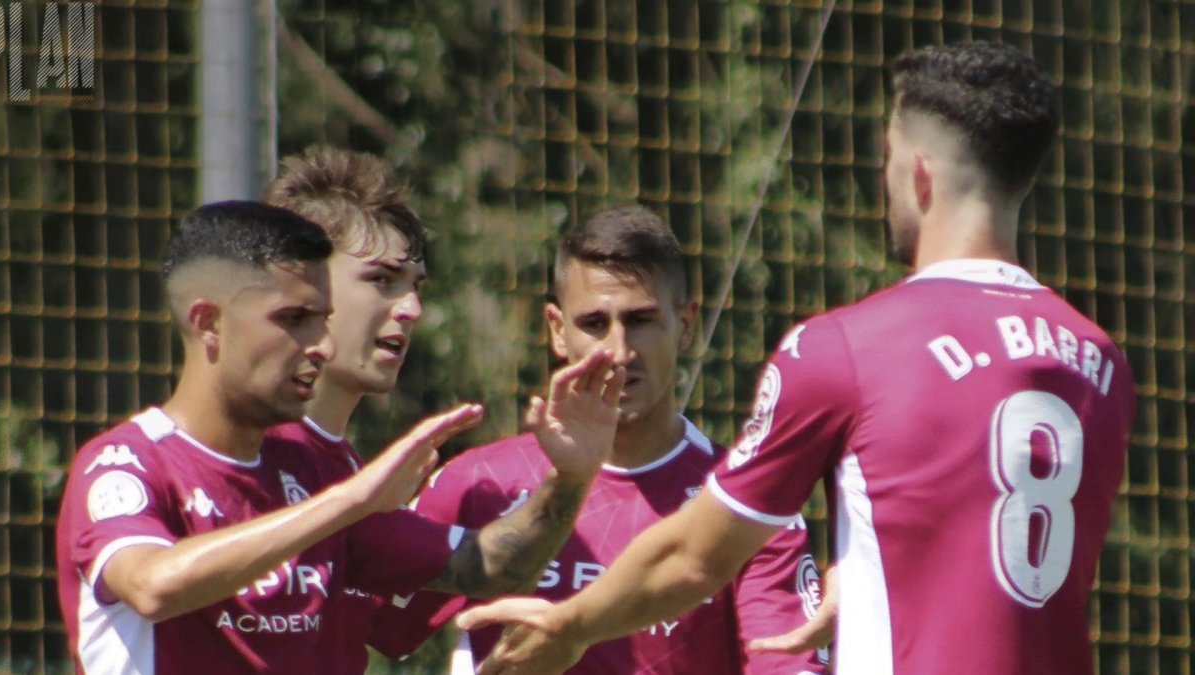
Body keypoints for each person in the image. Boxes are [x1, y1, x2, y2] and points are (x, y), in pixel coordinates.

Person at [457, 41, 1137, 675]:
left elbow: (694, 557)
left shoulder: (847, 347)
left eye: (888, 161)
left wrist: (570, 626)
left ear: (920, 177)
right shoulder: (1100, 364)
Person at [55, 201, 624, 674]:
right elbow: (154, 585)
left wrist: (571, 477)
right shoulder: (125, 463)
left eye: (322, 320)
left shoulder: (316, 473)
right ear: (210, 323)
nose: (321, 345)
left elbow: (490, 567)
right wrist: (351, 502)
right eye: (293, 320)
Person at [386, 205, 829, 674]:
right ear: (558, 330)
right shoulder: (478, 485)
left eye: (640, 321)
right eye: (594, 324)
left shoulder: (744, 505)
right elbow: (361, 632)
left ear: (686, 325)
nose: (618, 353)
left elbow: (788, 666)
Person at [259, 146, 629, 674]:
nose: (411, 309)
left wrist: (571, 476)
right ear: (300, 285)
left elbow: (488, 566)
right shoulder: (230, 449)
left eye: (415, 288)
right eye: (381, 280)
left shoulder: (344, 474)